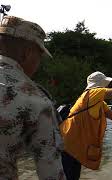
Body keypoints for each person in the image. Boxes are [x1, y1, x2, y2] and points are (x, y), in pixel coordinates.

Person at [0, 16, 66, 179]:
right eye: (39, 56)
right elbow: (50, 172)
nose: (38, 63)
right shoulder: (36, 101)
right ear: (27, 53)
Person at [59, 71, 112, 179]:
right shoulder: (93, 92)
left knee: (72, 176)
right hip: (68, 144)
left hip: (73, 145)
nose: (107, 85)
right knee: (69, 176)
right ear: (100, 84)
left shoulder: (97, 102)